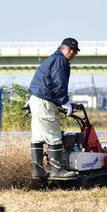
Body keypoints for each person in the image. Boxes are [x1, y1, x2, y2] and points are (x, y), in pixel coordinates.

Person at [28, 37, 80, 180]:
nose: (73, 53)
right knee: (54, 136)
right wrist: (65, 102)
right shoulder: (60, 61)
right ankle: (57, 171)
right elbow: (59, 83)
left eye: (75, 51)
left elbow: (41, 81)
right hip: (44, 102)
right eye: (72, 50)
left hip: (36, 99)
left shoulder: (52, 59)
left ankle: (38, 171)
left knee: (38, 137)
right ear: (65, 48)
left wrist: (32, 99)